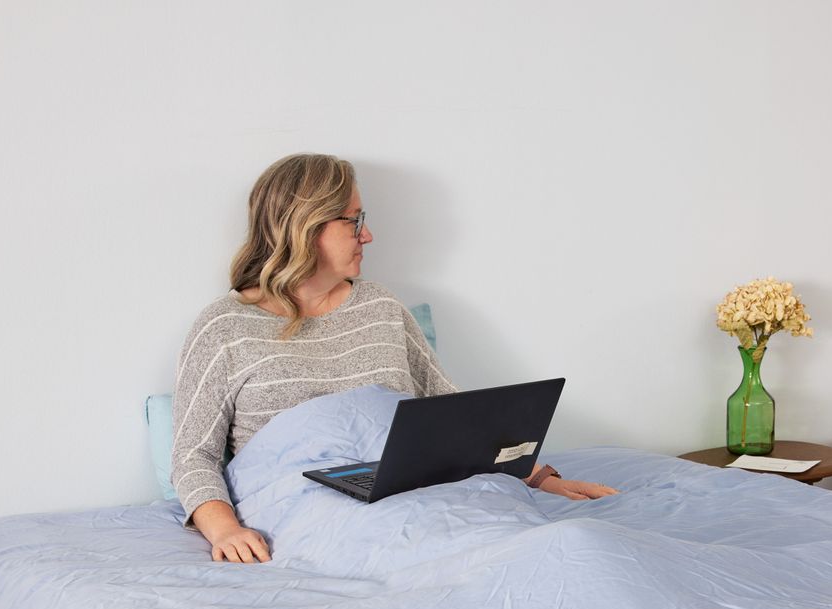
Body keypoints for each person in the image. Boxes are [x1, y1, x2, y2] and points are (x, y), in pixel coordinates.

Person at [172, 153, 616, 564]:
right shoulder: (224, 327)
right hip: (307, 503)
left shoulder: (380, 308)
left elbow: (458, 419)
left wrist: (540, 478)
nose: (368, 235)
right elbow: (193, 456)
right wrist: (224, 529)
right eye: (354, 220)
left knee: (555, 545)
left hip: (413, 488)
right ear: (304, 227)